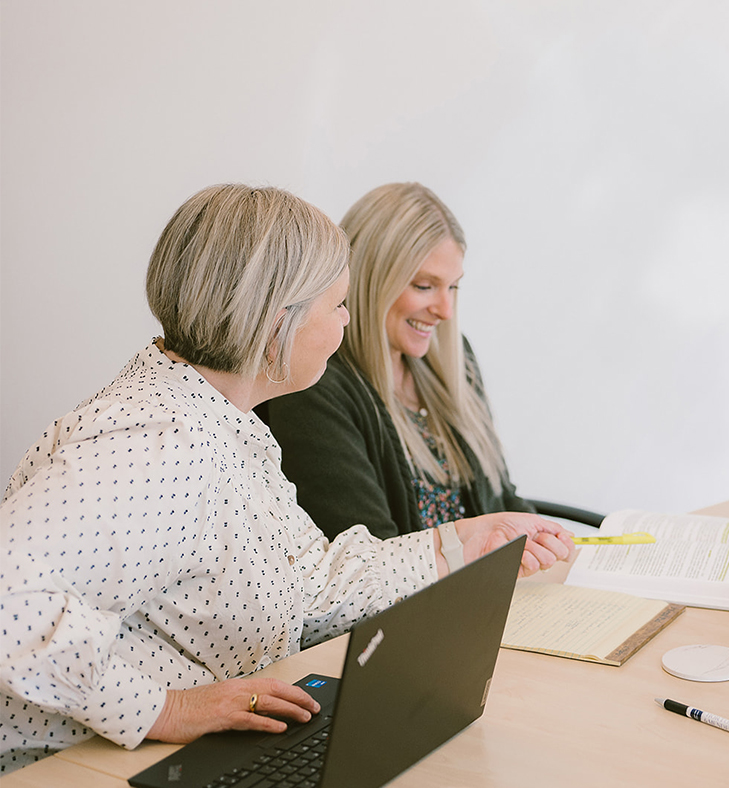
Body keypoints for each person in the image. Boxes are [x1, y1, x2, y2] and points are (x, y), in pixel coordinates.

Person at [0, 184, 574, 774]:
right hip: (86, 767)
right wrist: (161, 709)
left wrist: (453, 546)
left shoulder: (227, 424)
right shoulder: (157, 445)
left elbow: (306, 587)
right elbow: (7, 603)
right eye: (340, 306)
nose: (349, 325)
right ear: (278, 319)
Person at [263, 182, 534, 541]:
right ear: (370, 280)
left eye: (453, 287)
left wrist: (552, 541)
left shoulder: (453, 357)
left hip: (493, 586)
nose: (445, 311)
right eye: (424, 286)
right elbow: (371, 560)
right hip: (423, 596)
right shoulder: (315, 389)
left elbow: (499, 496)